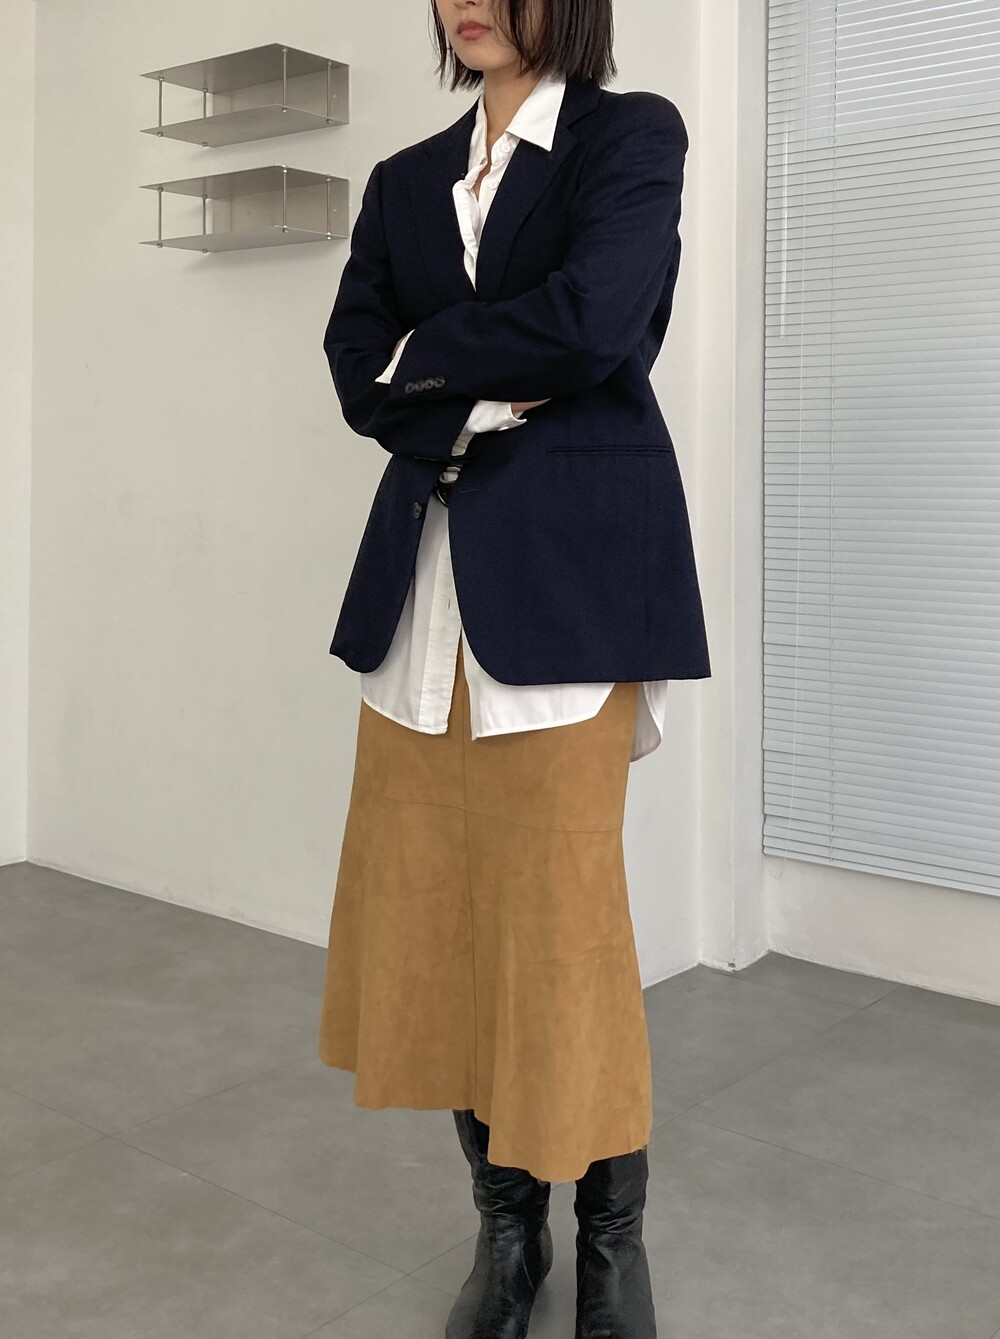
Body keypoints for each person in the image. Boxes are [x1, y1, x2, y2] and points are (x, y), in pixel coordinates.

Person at [317, 1, 711, 1335]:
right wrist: (480, 373)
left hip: (570, 586)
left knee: (561, 927)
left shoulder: (629, 136)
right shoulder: (402, 180)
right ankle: (507, 1237)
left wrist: (428, 357)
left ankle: (611, 1248)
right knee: (439, 923)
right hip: (423, 602)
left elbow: (597, 325)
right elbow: (352, 368)